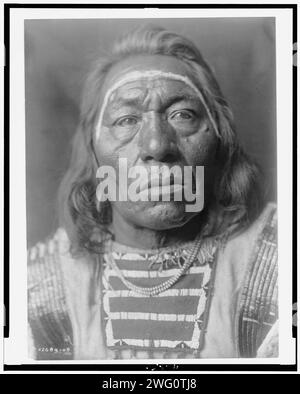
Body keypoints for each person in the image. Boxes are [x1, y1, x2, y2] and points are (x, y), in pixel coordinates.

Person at [27, 26, 278, 360]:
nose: (157, 145)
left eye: (182, 115)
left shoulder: (277, 266)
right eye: (126, 120)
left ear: (220, 140)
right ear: (93, 151)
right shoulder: (40, 289)